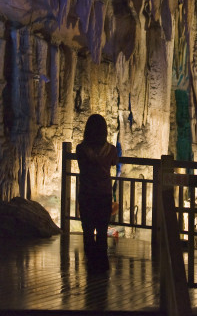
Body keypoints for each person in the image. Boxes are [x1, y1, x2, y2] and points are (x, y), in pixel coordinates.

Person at [75, 113, 118, 273]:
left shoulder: (81, 149)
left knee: (87, 230)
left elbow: (82, 163)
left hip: (87, 194)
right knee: (101, 230)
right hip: (103, 195)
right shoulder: (111, 150)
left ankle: (90, 262)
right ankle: (102, 263)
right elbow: (114, 162)